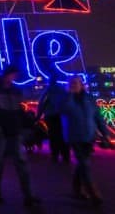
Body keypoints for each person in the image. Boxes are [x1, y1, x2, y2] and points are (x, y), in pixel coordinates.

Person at [0, 65, 40, 207]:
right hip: (2, 132)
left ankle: (28, 195)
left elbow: (18, 110)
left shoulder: (14, 90)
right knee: (0, 164)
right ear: (7, 74)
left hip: (14, 131)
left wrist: (27, 119)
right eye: (13, 74)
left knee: (21, 164)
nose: (14, 77)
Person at [61, 76, 111, 206]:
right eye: (71, 83)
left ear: (82, 85)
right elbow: (65, 110)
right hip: (74, 137)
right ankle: (94, 194)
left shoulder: (89, 99)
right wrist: (70, 95)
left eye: (76, 83)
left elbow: (98, 117)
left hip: (89, 136)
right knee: (85, 164)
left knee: (82, 164)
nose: (74, 85)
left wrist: (105, 134)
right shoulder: (65, 99)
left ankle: (76, 189)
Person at [36, 77, 70, 162]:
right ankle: (65, 155)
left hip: (51, 116)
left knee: (53, 135)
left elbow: (42, 103)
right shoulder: (63, 91)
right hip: (62, 116)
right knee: (63, 135)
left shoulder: (48, 91)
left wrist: (38, 116)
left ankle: (55, 155)